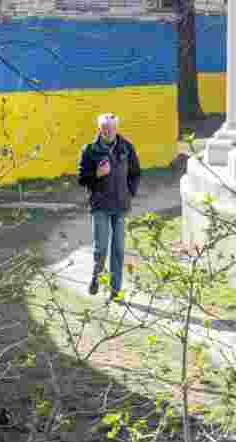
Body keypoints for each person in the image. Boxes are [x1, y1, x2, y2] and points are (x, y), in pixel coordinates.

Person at [77, 113, 141, 303]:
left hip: (121, 206)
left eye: (112, 128)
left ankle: (116, 290)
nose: (108, 132)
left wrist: (129, 193)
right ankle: (96, 278)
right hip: (100, 206)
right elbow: (82, 179)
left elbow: (135, 173)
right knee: (101, 248)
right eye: (105, 128)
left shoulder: (126, 148)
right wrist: (97, 174)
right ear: (99, 129)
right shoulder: (89, 150)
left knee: (119, 249)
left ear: (116, 128)